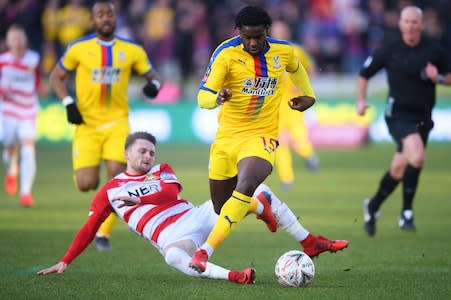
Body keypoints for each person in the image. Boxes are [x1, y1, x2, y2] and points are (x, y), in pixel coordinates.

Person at [37, 131, 348, 284]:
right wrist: (65, 260)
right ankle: (236, 276)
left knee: (256, 186)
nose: (148, 156)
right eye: (142, 151)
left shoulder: (162, 171)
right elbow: (90, 226)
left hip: (196, 216)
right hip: (174, 237)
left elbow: (169, 192)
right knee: (173, 256)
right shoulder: (109, 190)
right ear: (126, 153)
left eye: (151, 152)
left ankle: (274, 215)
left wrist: (141, 198)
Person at [191, 6, 347, 273]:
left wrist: (309, 94)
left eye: (258, 37)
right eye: (247, 37)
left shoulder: (283, 51)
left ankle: (204, 252)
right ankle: (275, 217)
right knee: (222, 208)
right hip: (226, 139)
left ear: (267, 32)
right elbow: (202, 96)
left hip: (261, 135)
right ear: (238, 32)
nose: (252, 43)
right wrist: (217, 98)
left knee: (248, 182)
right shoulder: (225, 54)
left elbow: (296, 68)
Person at [49, 0, 162, 251]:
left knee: (116, 175)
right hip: (87, 124)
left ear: (115, 17)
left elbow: (154, 76)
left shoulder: (131, 49)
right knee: (86, 184)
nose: (105, 18)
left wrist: (152, 86)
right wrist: (68, 102)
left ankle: (104, 232)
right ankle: (88, 179)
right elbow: (56, 76)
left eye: (109, 14)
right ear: (92, 20)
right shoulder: (79, 48)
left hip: (117, 122)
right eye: (100, 15)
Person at [356, 6, 451, 237]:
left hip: (423, 117)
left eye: (415, 22)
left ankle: (372, 207)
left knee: (399, 169)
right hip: (398, 115)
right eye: (407, 21)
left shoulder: (434, 50)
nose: (411, 26)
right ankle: (407, 214)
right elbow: (364, 74)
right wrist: (361, 101)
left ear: (421, 25)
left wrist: (439, 77)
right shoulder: (389, 49)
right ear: (400, 24)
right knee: (418, 157)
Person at [0, 24, 48, 207]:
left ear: (25, 40)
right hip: (8, 111)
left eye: (20, 38)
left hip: (28, 110)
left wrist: (41, 87)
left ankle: (25, 193)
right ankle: (12, 171)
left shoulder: (34, 59)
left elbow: (37, 80)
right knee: (10, 148)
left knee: (28, 149)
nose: (18, 42)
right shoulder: (2, 60)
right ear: (8, 42)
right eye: (14, 39)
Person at [270, 20, 320, 190]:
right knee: (280, 143)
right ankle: (287, 179)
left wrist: (303, 87)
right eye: (276, 31)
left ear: (287, 32)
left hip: (295, 105)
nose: (279, 33)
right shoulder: (267, 53)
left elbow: (311, 69)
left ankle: (309, 155)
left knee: (299, 140)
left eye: (281, 30)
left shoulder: (297, 51)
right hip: (275, 107)